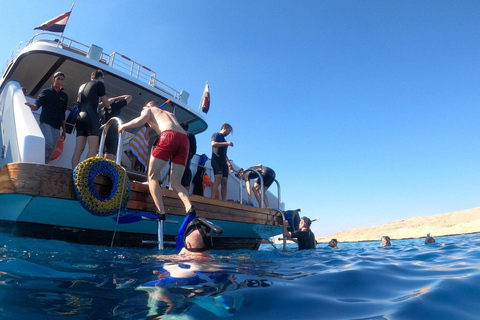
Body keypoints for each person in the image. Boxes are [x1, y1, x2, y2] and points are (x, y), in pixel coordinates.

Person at [118, 99, 195, 218]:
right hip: (184, 140)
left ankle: (161, 211)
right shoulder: (170, 114)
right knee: (176, 183)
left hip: (168, 136)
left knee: (152, 177)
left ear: (148, 106)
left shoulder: (148, 109)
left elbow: (140, 120)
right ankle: (189, 207)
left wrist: (123, 126)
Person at [25, 71, 68, 164]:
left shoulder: (64, 96)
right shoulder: (46, 92)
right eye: (58, 79)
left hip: (57, 126)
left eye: (62, 79)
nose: (60, 81)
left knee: (52, 148)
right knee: (48, 143)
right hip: (46, 122)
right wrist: (32, 106)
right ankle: (39, 162)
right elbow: (37, 104)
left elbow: (63, 114)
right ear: (53, 79)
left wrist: (64, 130)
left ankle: (44, 164)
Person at [72, 70, 110, 168]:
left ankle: (73, 172)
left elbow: (86, 102)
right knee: (93, 147)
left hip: (80, 116)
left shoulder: (82, 86)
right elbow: (106, 103)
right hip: (90, 116)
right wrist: (110, 102)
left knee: (78, 149)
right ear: (101, 78)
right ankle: (85, 172)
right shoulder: (100, 84)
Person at [99, 94, 132, 160]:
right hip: (112, 130)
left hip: (102, 131)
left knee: (100, 151)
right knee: (110, 152)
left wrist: (105, 102)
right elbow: (129, 97)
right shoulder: (115, 106)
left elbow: (96, 104)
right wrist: (114, 98)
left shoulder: (102, 109)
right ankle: (106, 168)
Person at [210, 123, 234, 200]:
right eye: (228, 130)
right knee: (218, 178)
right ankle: (212, 199)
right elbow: (213, 144)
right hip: (216, 160)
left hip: (224, 162)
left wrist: (230, 165)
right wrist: (226, 143)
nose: (228, 133)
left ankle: (223, 201)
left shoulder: (224, 140)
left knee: (224, 181)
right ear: (224, 127)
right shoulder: (216, 135)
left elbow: (225, 154)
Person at [180, 122, 197, 191]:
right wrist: (190, 157)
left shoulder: (177, 133)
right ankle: (185, 193)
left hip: (175, 158)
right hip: (186, 158)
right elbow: (193, 149)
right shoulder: (191, 135)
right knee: (186, 174)